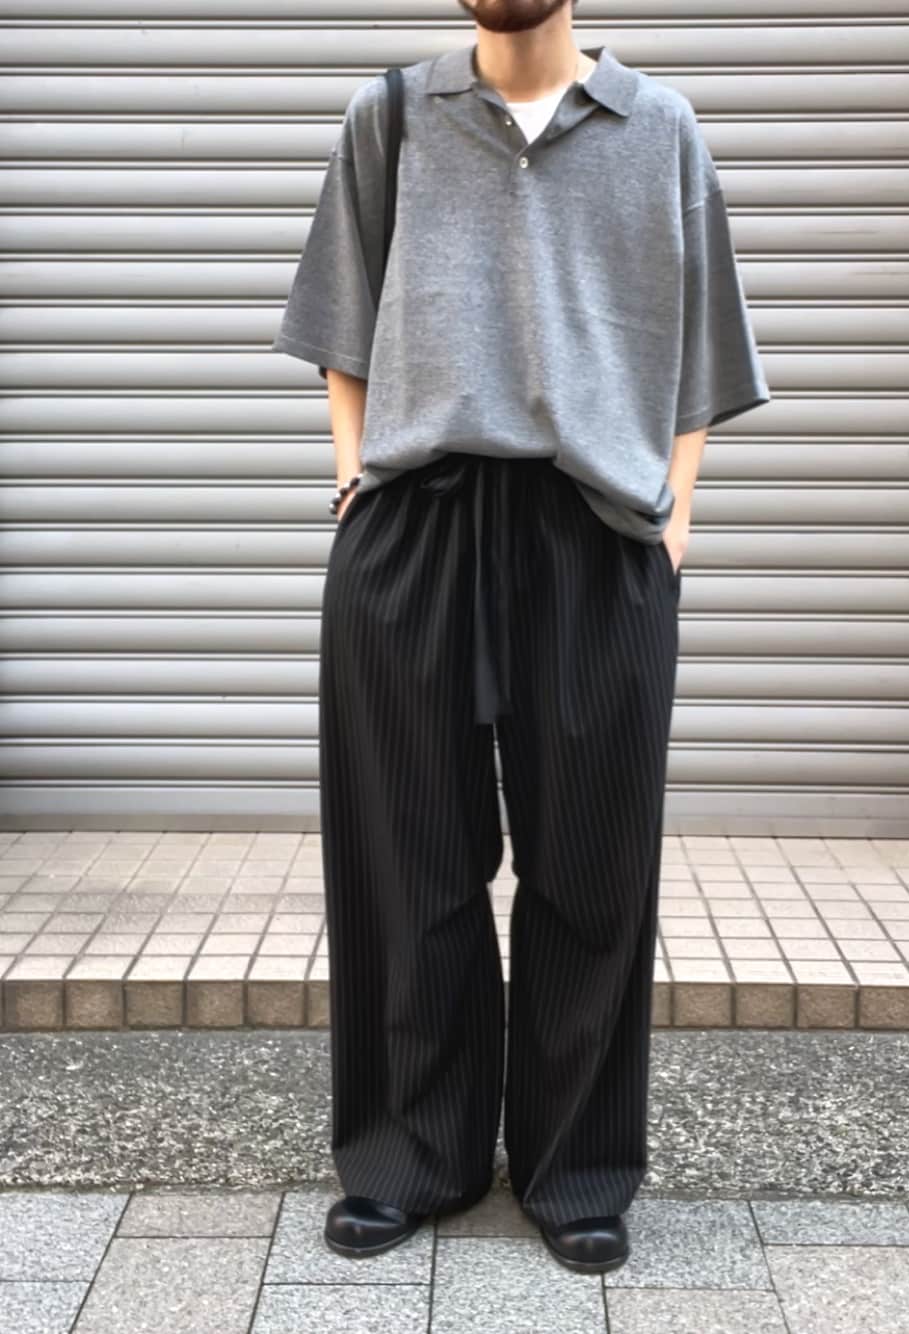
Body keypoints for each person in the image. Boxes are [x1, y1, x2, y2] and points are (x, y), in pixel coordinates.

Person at [271, 0, 769, 1275]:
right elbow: (339, 322)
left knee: (592, 865)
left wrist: (673, 521)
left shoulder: (658, 128)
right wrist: (352, 477)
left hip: (595, 528)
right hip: (417, 521)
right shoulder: (392, 114)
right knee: (406, 859)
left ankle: (577, 1165)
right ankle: (410, 1154)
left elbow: (705, 348)